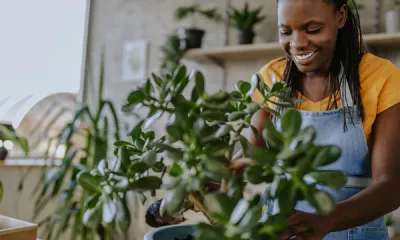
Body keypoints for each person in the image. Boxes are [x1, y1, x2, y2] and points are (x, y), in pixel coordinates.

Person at [251, 0, 400, 239]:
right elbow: (252, 156)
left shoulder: (380, 76)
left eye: (313, 29)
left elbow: (391, 186)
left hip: (356, 232)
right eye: (286, 31)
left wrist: (328, 219)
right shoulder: (271, 77)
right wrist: (219, 176)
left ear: (340, 17)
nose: (297, 43)